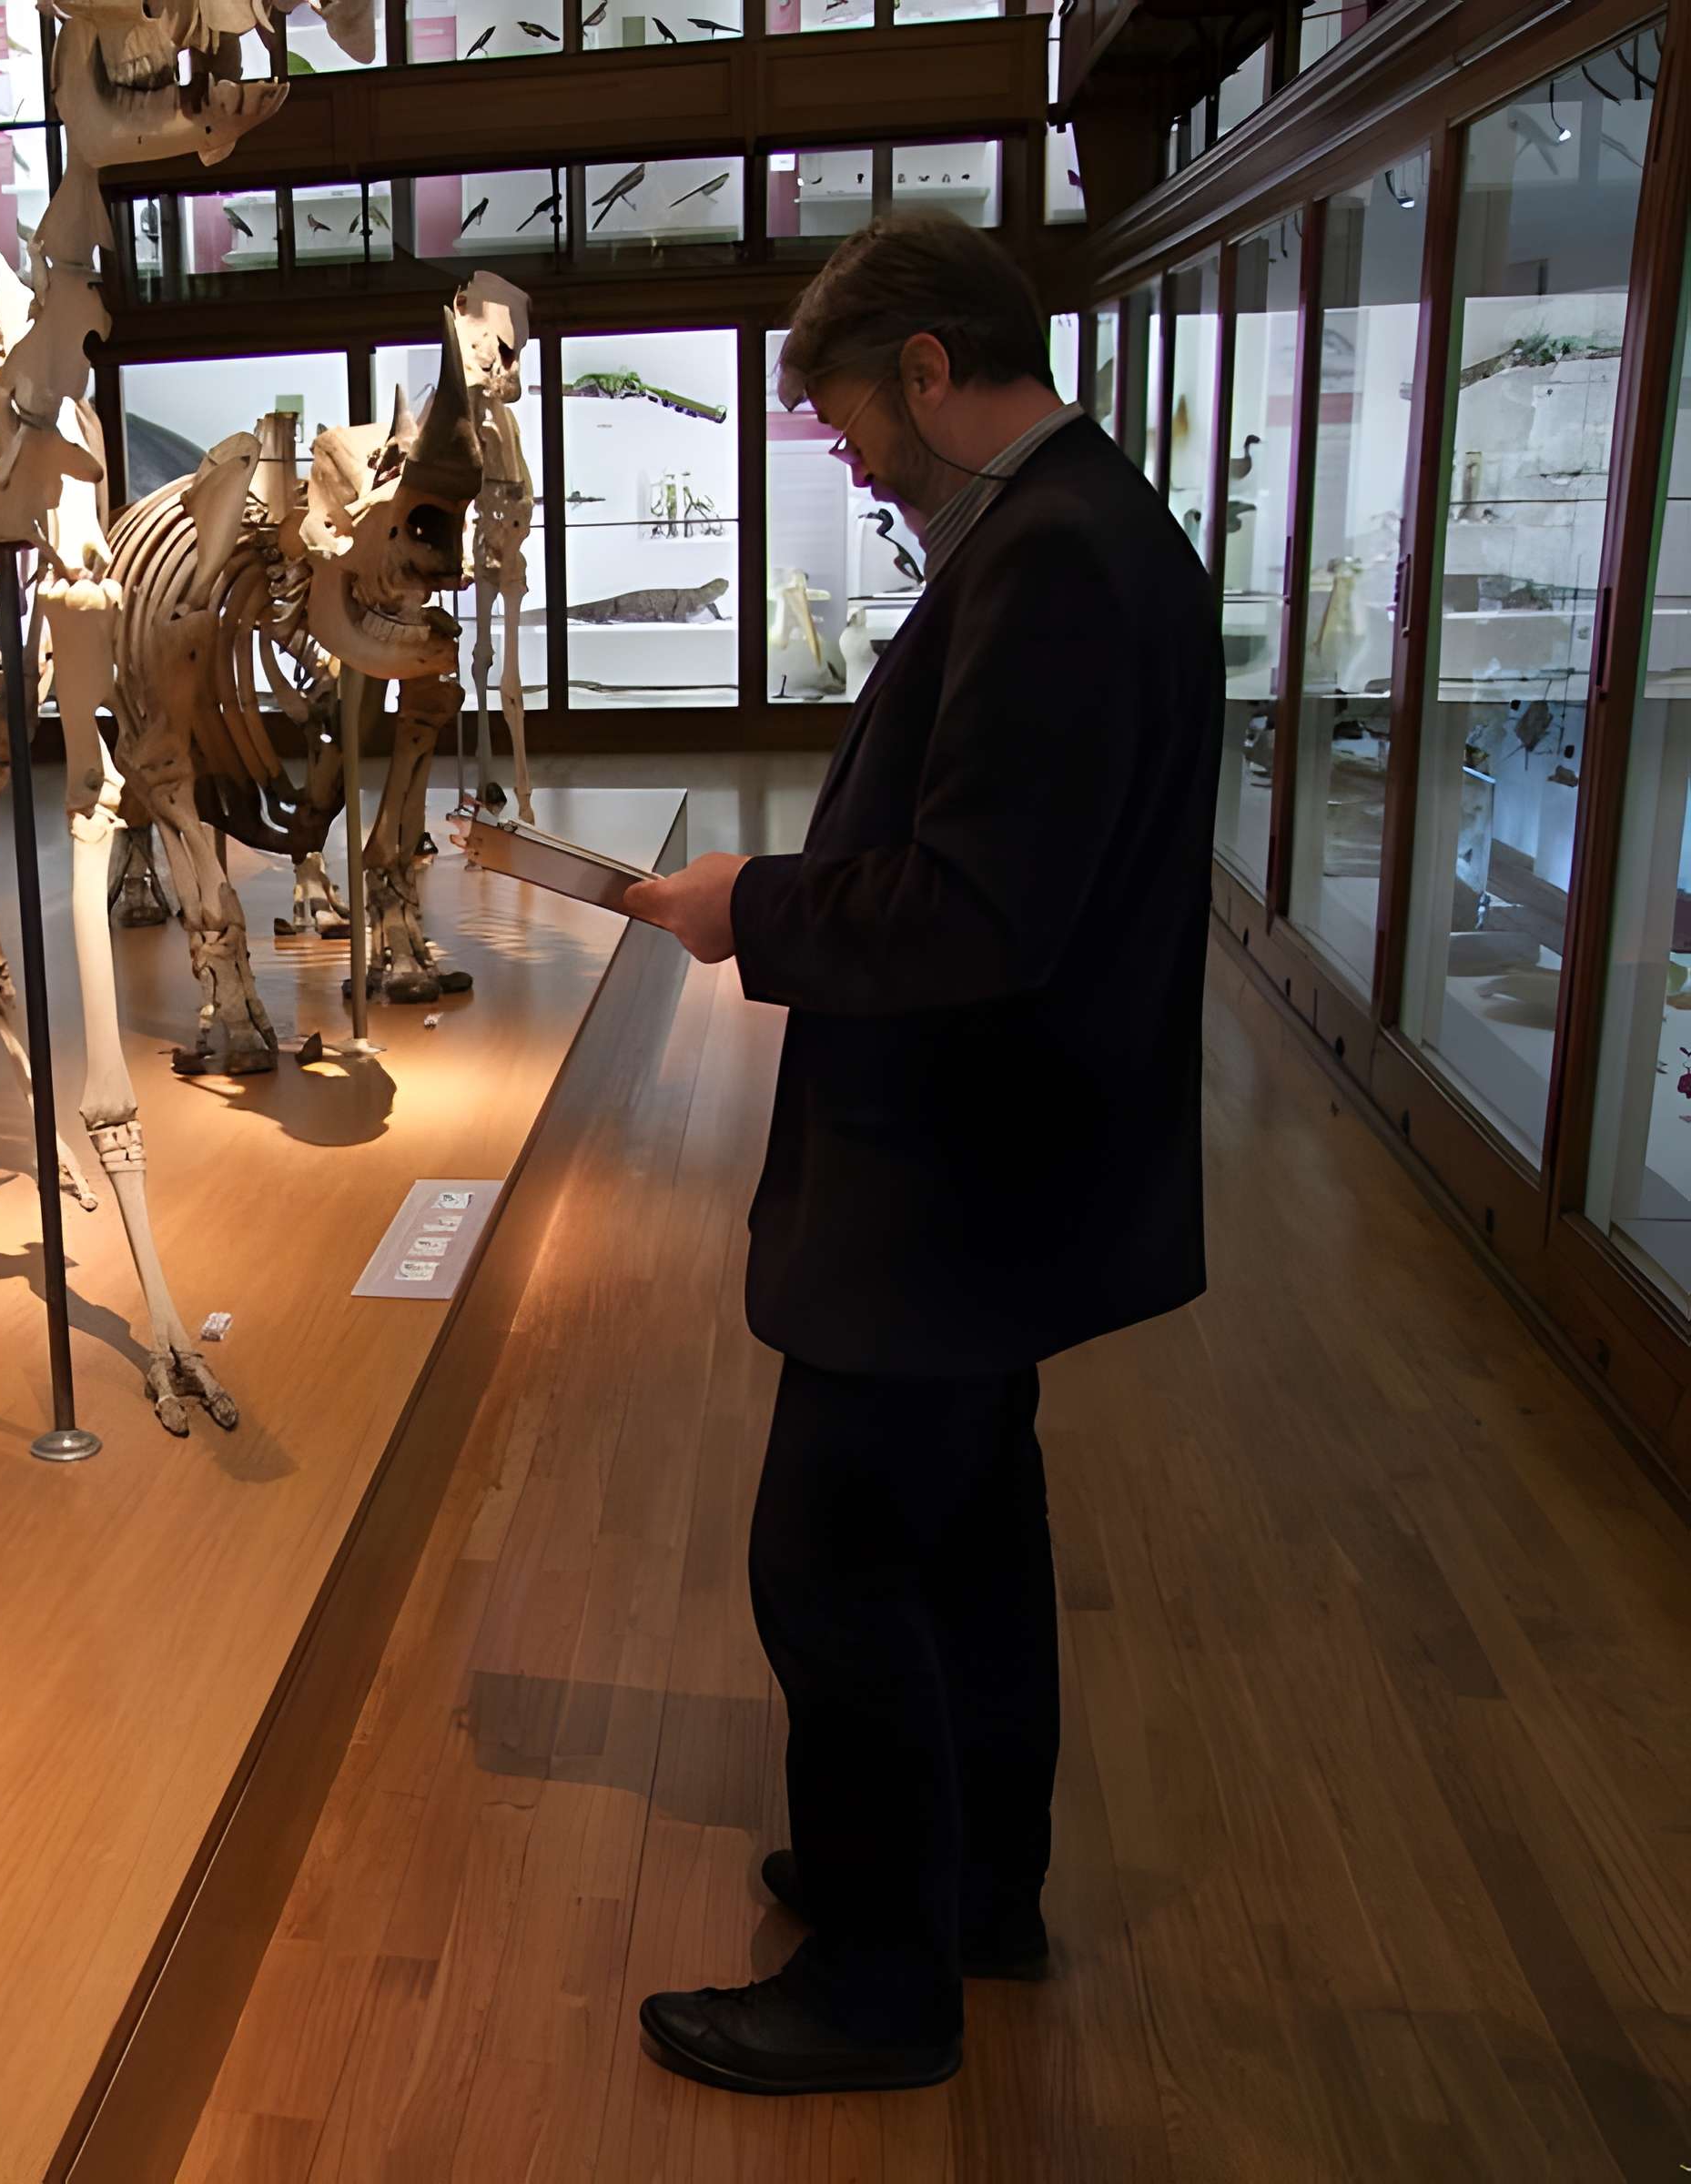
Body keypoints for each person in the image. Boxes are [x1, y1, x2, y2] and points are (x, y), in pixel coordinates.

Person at [618, 212, 1220, 2096]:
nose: (857, 460)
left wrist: (750, 907)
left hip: (948, 1178)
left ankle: (878, 1987)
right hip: (1004, 1171)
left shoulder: (1049, 560)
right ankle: (972, 1888)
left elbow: (975, 910)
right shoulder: (1094, 528)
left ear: (933, 370)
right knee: (963, 1540)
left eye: (856, 422)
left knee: (830, 1560)